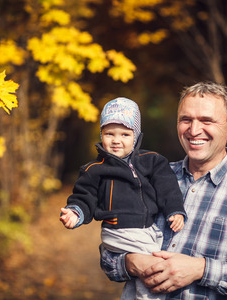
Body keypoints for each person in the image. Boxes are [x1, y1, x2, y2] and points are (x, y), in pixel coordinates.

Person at [100, 82, 227, 299]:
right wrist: (130, 263)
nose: (193, 130)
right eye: (186, 120)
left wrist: (201, 269)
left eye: (206, 120)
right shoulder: (148, 179)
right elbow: (109, 252)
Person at [60, 97, 187, 300]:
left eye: (125, 134)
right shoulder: (95, 169)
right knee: (153, 269)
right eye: (109, 134)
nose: (116, 140)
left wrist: (175, 210)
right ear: (101, 134)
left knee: (137, 281)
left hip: (147, 230)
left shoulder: (152, 161)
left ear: (136, 137)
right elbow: (85, 196)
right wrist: (76, 212)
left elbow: (167, 187)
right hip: (118, 231)